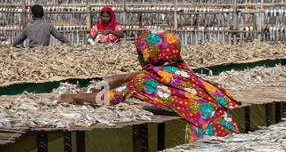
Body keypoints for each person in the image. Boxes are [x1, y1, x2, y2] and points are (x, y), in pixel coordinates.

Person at [59, 30, 240, 142]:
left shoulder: (143, 82)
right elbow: (148, 76)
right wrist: (120, 78)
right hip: (226, 123)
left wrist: (75, 97)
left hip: (205, 130)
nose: (139, 58)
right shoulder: (181, 71)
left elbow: (109, 98)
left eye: (140, 54)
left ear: (148, 56)